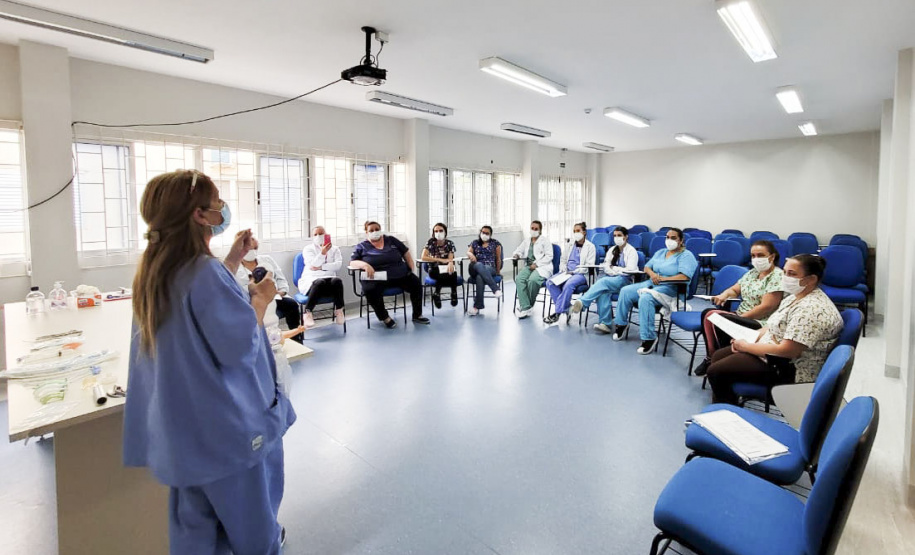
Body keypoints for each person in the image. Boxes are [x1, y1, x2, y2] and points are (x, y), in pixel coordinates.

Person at [124, 170, 295, 554]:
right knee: (254, 531)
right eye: (217, 201)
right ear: (201, 215)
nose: (223, 207)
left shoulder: (156, 271)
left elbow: (203, 309)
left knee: (196, 534)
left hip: (186, 436)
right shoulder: (201, 273)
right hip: (228, 432)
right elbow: (236, 346)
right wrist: (260, 300)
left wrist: (233, 257)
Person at [706, 254, 843, 405]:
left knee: (716, 371)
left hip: (789, 368)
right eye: (784, 272)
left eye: (792, 274)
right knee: (718, 356)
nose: (785, 277)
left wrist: (747, 346)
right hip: (773, 352)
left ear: (811, 279)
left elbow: (788, 351)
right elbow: (772, 325)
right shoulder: (795, 296)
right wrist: (750, 338)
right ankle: (728, 403)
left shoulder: (811, 310)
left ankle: (726, 416)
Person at [693, 240, 784, 376]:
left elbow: (767, 307)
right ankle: (714, 357)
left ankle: (714, 358)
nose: (756, 259)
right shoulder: (752, 273)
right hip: (742, 315)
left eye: (760, 255)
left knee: (711, 315)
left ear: (772, 257)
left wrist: (739, 318)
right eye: (753, 256)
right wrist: (724, 295)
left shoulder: (777, 276)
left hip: (761, 322)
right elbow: (735, 290)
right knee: (710, 316)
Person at [611, 227, 698, 354]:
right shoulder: (661, 252)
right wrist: (652, 274)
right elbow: (647, 267)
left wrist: (663, 279)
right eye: (667, 237)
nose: (669, 240)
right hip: (652, 283)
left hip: (672, 288)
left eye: (673, 238)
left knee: (646, 298)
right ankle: (621, 324)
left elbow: (684, 276)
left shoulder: (686, 255)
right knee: (625, 291)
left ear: (681, 241)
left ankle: (649, 338)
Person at [350, 221, 430, 328]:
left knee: (416, 283)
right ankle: (385, 317)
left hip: (399, 275)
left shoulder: (391, 240)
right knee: (369, 290)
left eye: (377, 229)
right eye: (371, 230)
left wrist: (410, 266)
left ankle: (417, 315)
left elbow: (405, 251)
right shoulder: (362, 246)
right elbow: (352, 262)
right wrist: (365, 265)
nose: (375, 232)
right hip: (377, 278)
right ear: (366, 232)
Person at [570, 225, 640, 333]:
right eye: (615, 235)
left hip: (625, 281)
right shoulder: (612, 250)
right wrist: (614, 270)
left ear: (626, 237)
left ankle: (583, 302)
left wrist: (614, 269)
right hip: (611, 280)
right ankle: (605, 324)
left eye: (619, 235)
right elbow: (606, 267)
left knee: (602, 282)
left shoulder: (632, 251)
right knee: (602, 291)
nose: (617, 237)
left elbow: (629, 270)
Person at [235, 242, 303, 343]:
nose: (251, 251)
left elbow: (281, 280)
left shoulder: (267, 260)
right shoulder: (234, 267)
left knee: (291, 304)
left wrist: (281, 292)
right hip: (251, 303)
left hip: (273, 298)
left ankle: (297, 340)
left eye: (254, 248)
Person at [544, 222, 595, 323]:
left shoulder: (590, 247)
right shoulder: (569, 245)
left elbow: (589, 265)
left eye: (578, 231)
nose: (575, 233)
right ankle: (567, 308)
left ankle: (557, 313)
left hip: (581, 274)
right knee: (550, 282)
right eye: (574, 231)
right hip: (566, 272)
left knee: (569, 284)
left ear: (584, 232)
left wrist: (574, 272)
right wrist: (564, 269)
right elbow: (563, 260)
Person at [299, 225, 345, 327]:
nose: (318, 236)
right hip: (313, 281)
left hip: (329, 281)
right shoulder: (308, 249)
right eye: (315, 234)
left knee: (337, 281)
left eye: (321, 234)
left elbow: (338, 265)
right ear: (312, 236)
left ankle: (339, 310)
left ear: (326, 235)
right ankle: (307, 312)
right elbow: (313, 264)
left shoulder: (335, 249)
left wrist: (321, 267)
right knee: (320, 282)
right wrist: (323, 253)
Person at [512, 220, 553, 319]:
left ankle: (526, 306)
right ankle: (526, 307)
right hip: (529, 266)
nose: (533, 230)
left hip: (542, 267)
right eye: (532, 228)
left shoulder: (545, 241)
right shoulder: (527, 240)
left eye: (536, 229)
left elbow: (549, 256)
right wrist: (517, 254)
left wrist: (537, 264)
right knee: (519, 279)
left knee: (532, 280)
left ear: (540, 231)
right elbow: (519, 250)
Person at [466, 225, 503, 316]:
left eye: (487, 233)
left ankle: (477, 307)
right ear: (480, 232)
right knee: (479, 264)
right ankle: (495, 289)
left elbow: (498, 259)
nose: (484, 234)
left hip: (490, 268)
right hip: (474, 267)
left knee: (480, 277)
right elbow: (468, 251)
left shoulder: (495, 243)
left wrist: (498, 272)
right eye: (483, 232)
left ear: (490, 235)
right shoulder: (475, 243)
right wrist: (471, 255)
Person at [420, 222, 459, 308]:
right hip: (434, 268)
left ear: (445, 232)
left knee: (453, 273)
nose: (438, 233)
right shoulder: (430, 242)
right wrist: (439, 259)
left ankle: (452, 293)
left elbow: (450, 258)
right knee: (443, 275)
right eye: (436, 231)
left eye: (441, 230)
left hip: (445, 268)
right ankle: (437, 293)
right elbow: (423, 257)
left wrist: (450, 263)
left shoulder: (450, 243)